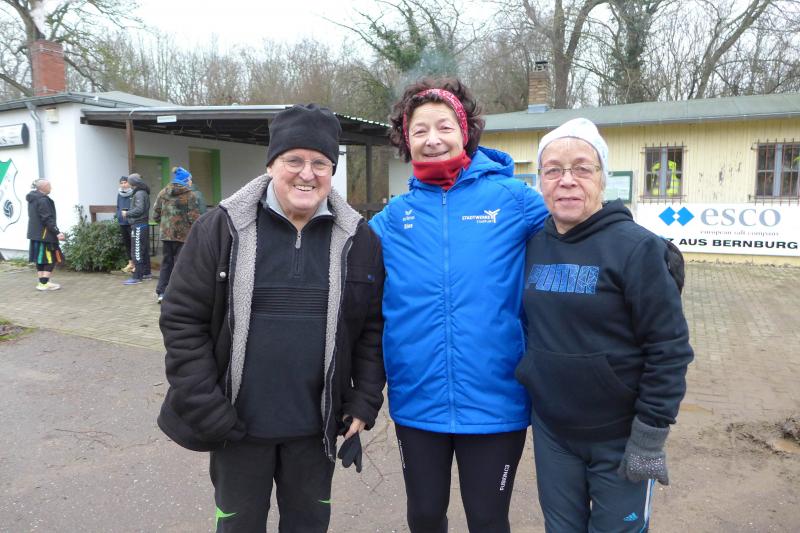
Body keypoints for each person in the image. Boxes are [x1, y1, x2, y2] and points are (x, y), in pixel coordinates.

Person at [157, 104, 386, 532]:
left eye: (320, 163)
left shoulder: (359, 238)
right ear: (271, 165)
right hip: (235, 429)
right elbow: (181, 321)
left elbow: (372, 328)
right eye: (294, 160)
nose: (307, 174)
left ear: (332, 171)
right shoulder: (220, 229)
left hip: (315, 432)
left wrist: (364, 400)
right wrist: (206, 406)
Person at [369, 78, 549, 533]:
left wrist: (637, 247)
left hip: (496, 399)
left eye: (444, 127)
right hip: (418, 398)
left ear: (465, 131)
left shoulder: (514, 202)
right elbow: (336, 260)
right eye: (419, 130)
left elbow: (578, 227)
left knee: (487, 520)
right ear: (406, 141)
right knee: (425, 516)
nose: (433, 139)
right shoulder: (393, 219)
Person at [514, 118, 694, 532]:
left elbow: (669, 350)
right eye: (553, 170)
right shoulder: (533, 245)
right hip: (553, 432)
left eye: (582, 168)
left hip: (620, 435)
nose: (567, 180)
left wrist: (650, 435)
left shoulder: (637, 249)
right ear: (540, 181)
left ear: (602, 178)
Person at [152, 167, 201, 304]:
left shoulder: (163, 192)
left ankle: (162, 292)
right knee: (181, 264)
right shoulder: (190, 195)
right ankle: (178, 293)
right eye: (190, 179)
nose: (191, 182)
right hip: (183, 236)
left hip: (166, 235)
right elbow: (194, 217)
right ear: (185, 180)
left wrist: (165, 225)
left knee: (166, 263)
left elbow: (156, 213)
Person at [26, 179, 64, 291]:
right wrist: (57, 232)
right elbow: (47, 218)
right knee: (51, 258)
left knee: (40, 259)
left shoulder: (33, 198)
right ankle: (43, 284)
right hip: (45, 236)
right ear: (44, 187)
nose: (51, 188)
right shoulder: (43, 200)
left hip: (36, 234)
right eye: (49, 186)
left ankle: (43, 282)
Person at [121, 173, 151, 285]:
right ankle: (146, 273)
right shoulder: (142, 192)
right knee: (144, 250)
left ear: (133, 182)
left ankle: (137, 276)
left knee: (136, 251)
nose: (127, 183)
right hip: (142, 224)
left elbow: (139, 209)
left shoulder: (139, 193)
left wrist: (127, 213)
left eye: (129, 181)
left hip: (138, 225)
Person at [116, 176, 135, 273]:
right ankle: (130, 263)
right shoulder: (119, 194)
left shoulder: (134, 193)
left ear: (129, 183)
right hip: (122, 222)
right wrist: (118, 215)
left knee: (134, 243)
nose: (123, 184)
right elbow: (118, 206)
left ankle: (136, 264)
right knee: (127, 244)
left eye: (125, 182)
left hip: (131, 223)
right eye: (121, 183)